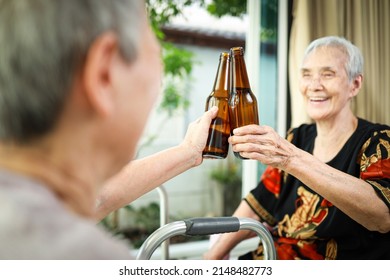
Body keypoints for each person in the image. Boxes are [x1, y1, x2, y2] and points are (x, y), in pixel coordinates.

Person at [0, 0, 217, 259]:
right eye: (155, 50)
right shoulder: (79, 255)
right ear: (104, 73)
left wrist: (189, 152)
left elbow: (97, 198)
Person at [204, 36, 390, 260]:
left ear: (355, 84)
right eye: (306, 74)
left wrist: (290, 158)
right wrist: (211, 258)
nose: (314, 86)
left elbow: (382, 217)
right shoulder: (297, 137)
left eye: (327, 74)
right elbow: (257, 205)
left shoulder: (378, 140)